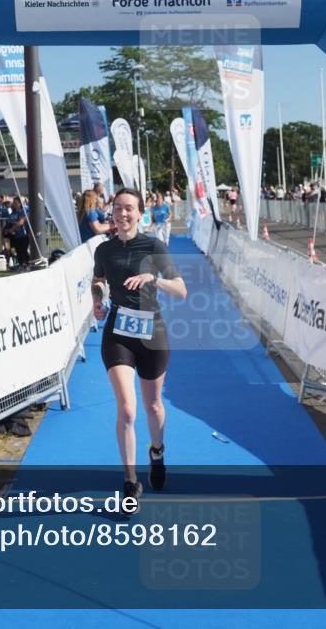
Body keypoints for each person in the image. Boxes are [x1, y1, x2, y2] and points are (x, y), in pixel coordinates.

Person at [91, 189, 187, 501]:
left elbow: (181, 290)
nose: (122, 214)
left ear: (139, 213)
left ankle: (157, 452)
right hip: (118, 332)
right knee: (128, 410)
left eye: (129, 208)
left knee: (153, 406)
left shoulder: (154, 245)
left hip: (152, 332)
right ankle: (130, 481)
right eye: (117, 208)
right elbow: (98, 280)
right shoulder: (104, 250)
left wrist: (153, 280)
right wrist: (97, 299)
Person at [5, 197, 31, 270]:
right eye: (14, 203)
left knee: (24, 250)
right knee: (18, 251)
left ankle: (28, 264)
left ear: (20, 203)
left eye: (16, 203)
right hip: (15, 236)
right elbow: (11, 222)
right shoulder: (13, 213)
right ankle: (21, 265)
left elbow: (21, 223)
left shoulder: (23, 211)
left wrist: (11, 229)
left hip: (23, 234)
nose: (14, 204)